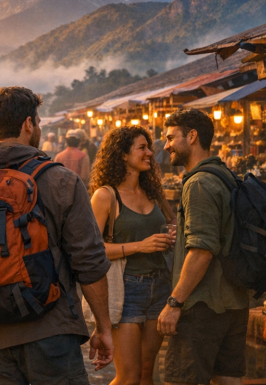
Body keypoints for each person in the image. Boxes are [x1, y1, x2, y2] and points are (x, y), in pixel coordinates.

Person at [0, 86, 114, 384]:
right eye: (37, 121)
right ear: (29, 123)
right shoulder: (61, 180)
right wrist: (103, 328)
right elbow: (89, 263)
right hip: (52, 331)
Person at [158, 109, 249, 385]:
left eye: (171, 137)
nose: (166, 145)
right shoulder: (225, 174)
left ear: (192, 136)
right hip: (234, 302)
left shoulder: (198, 183)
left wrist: (175, 302)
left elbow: (202, 251)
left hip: (201, 306)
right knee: (228, 380)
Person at [89, 126, 175, 385]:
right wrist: (141, 245)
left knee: (147, 374)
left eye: (149, 147)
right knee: (129, 377)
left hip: (160, 287)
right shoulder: (105, 196)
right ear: (123, 154)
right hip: (127, 291)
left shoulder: (153, 192)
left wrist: (171, 236)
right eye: (142, 147)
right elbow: (93, 250)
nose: (150, 152)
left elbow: (172, 225)